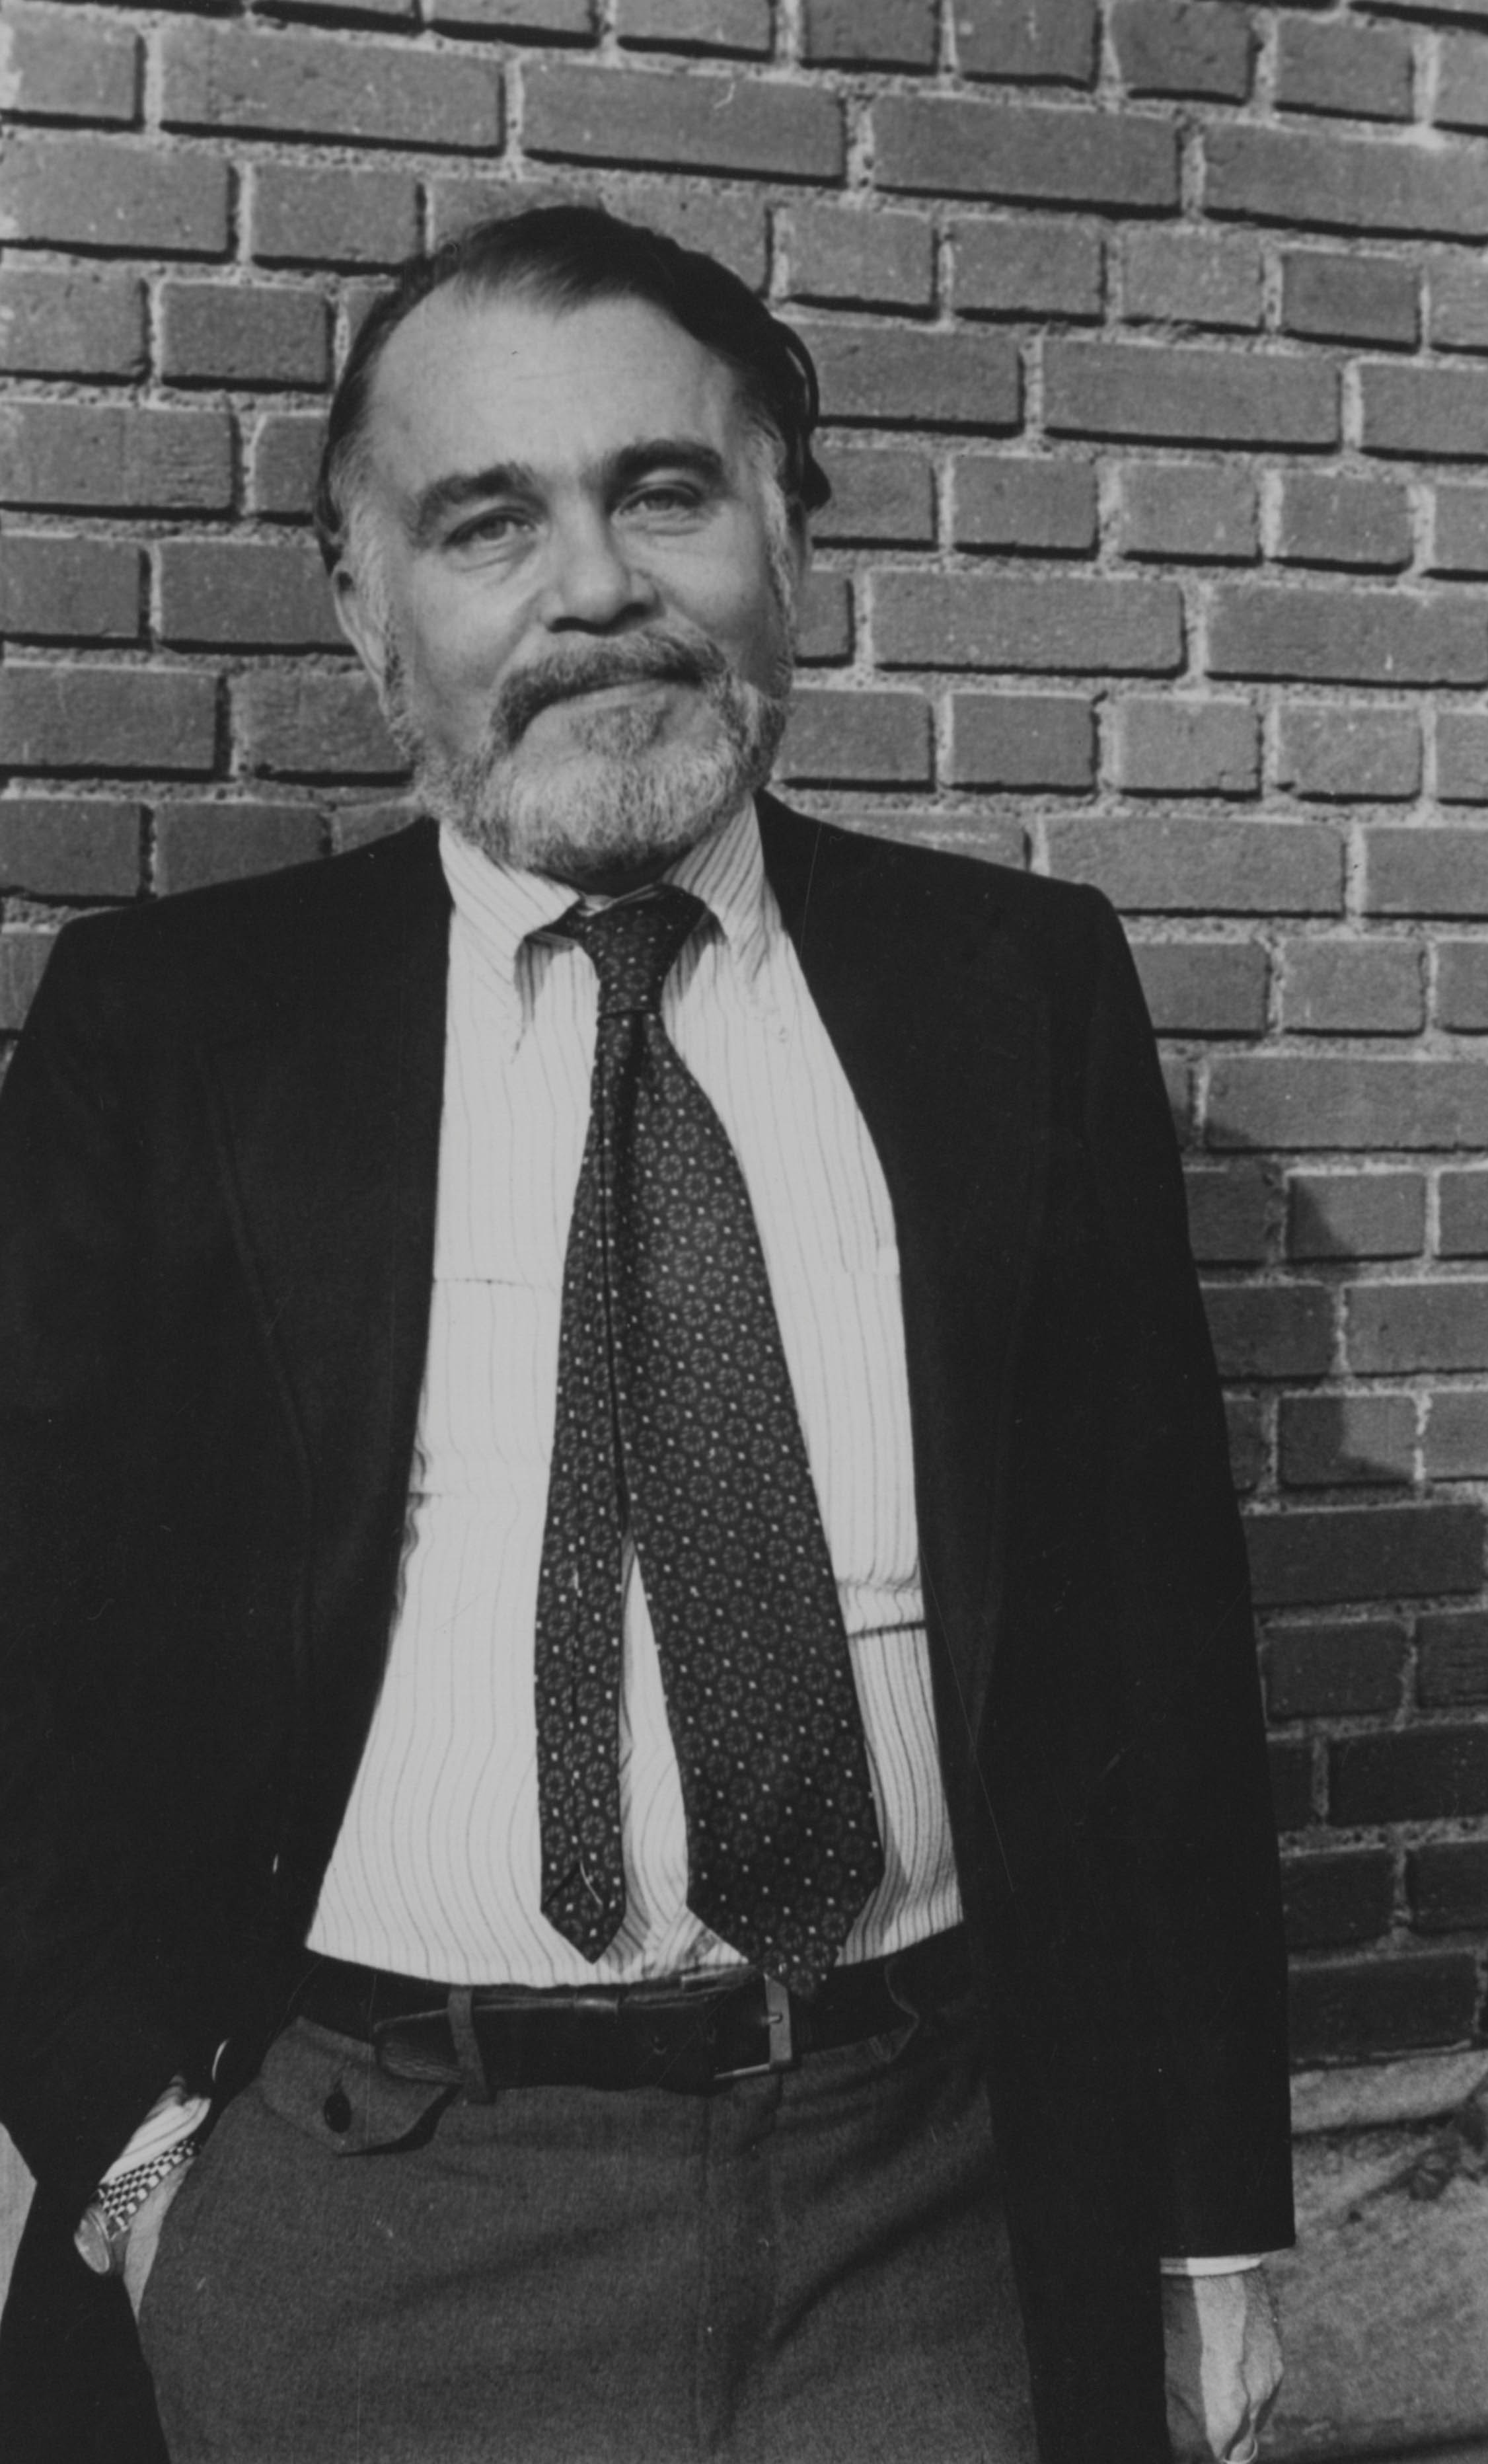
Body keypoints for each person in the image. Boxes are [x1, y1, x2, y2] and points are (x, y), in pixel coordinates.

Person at [0, 205, 1293, 2464]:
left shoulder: (1015, 996)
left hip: (936, 2210)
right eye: (487, 521)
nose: (593, 586)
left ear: (785, 534)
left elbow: (1151, 1634)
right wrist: (121, 2162)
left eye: (663, 492)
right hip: (367, 2222)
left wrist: (1208, 2230)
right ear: (366, 605)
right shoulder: (180, 1037)